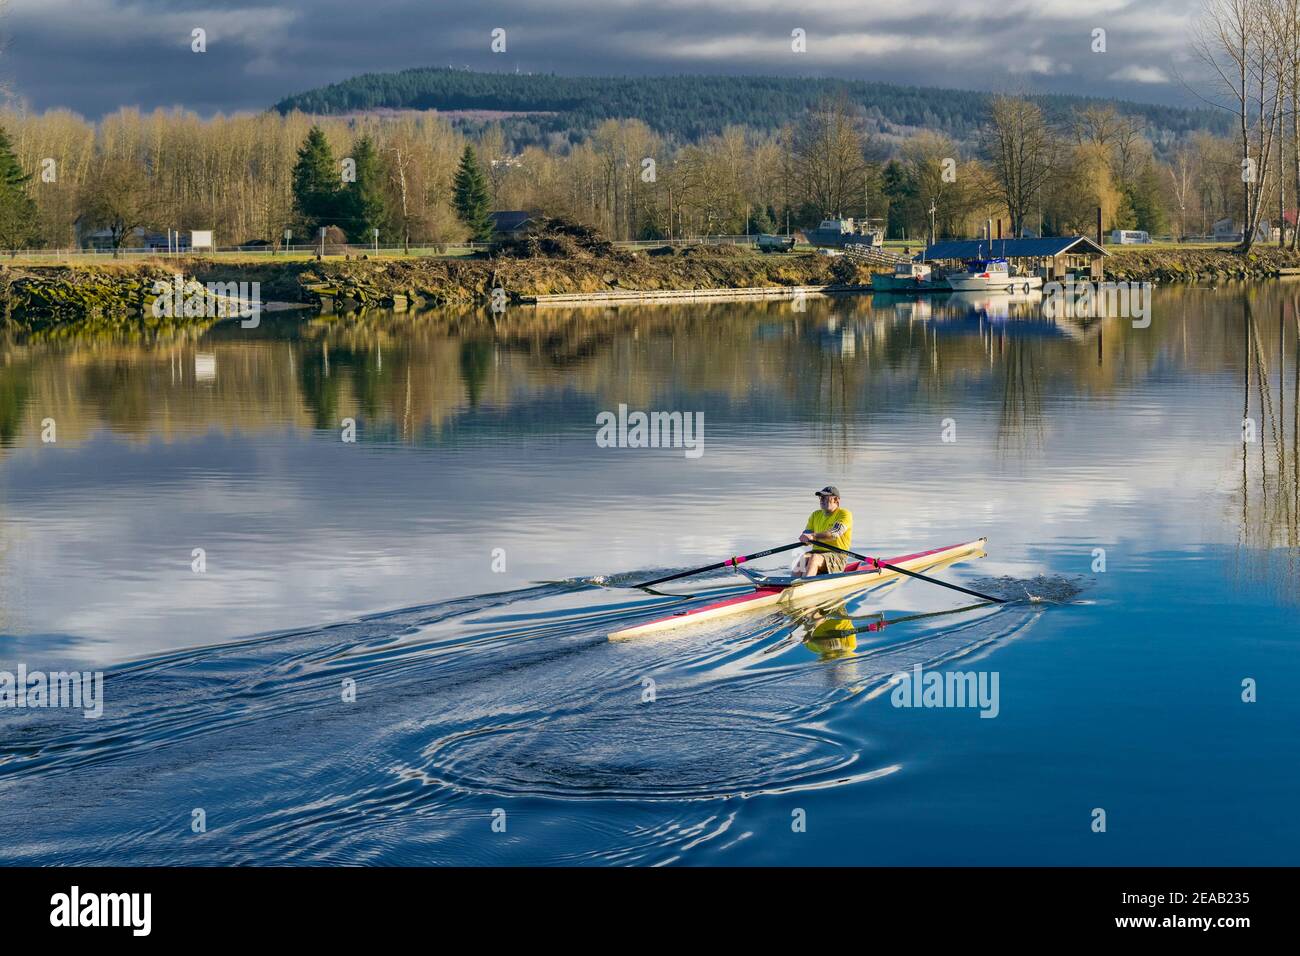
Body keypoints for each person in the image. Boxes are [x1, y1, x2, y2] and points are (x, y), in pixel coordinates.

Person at [796, 486, 853, 577]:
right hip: (817, 553)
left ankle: (805, 585)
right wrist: (805, 539)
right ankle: (789, 585)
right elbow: (807, 534)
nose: (821, 500)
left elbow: (835, 533)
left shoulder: (844, 514)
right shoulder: (815, 515)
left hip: (837, 555)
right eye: (820, 497)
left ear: (836, 499)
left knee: (814, 558)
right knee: (803, 558)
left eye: (825, 497)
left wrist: (813, 536)